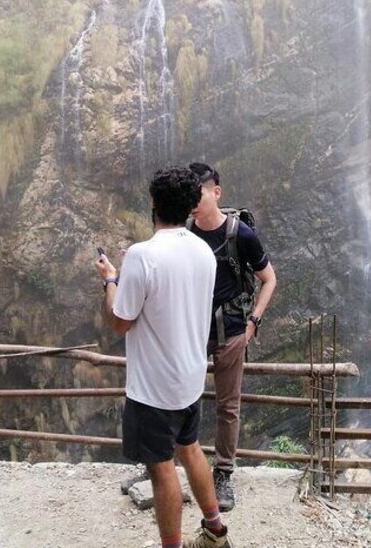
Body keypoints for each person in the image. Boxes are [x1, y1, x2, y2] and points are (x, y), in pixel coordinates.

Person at [95, 166, 233, 548]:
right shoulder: (203, 250)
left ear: (153, 202)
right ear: (192, 206)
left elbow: (120, 321)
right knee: (190, 450)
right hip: (190, 378)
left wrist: (110, 281)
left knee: (161, 468)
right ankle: (215, 532)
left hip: (155, 389)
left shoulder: (142, 255)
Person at [187, 162, 277, 512]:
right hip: (192, 331)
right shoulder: (185, 234)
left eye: (200, 193)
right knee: (183, 398)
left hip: (232, 331)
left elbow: (269, 278)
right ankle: (177, 464)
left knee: (228, 407)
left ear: (216, 192)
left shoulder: (241, 235)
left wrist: (254, 320)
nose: (194, 201)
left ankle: (223, 473)